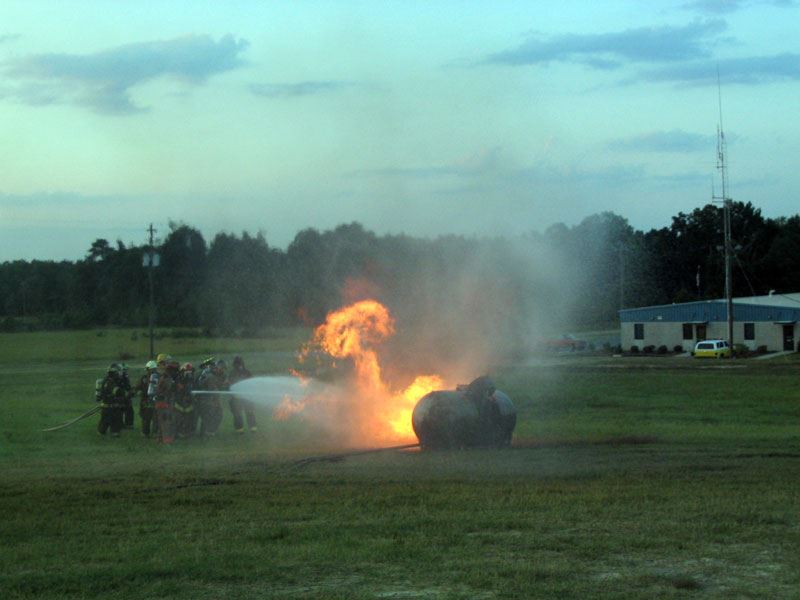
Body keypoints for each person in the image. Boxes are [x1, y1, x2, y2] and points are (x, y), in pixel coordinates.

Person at [96, 363, 127, 437]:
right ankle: (113, 433)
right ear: (114, 373)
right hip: (111, 408)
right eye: (118, 372)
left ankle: (103, 432)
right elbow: (116, 391)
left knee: (104, 423)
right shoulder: (110, 382)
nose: (119, 374)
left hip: (107, 407)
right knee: (114, 422)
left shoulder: (106, 380)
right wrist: (125, 393)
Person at [196, 357, 225, 436]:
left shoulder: (210, 374)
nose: (222, 370)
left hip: (208, 400)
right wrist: (216, 400)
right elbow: (213, 389)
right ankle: (207, 433)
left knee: (214, 415)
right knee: (211, 416)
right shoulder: (210, 376)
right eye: (221, 368)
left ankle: (209, 432)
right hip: (207, 400)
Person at [154, 355, 179, 444]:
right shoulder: (167, 378)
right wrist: (177, 385)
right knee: (167, 422)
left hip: (161, 402)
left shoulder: (164, 377)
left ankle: (159, 439)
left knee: (162, 422)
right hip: (163, 403)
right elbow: (170, 388)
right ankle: (167, 441)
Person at [228, 355, 257, 433]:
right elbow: (230, 384)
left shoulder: (245, 372)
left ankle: (251, 428)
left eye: (239, 364)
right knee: (238, 414)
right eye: (238, 364)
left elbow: (252, 383)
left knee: (249, 412)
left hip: (246, 397)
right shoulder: (234, 373)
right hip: (237, 398)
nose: (239, 366)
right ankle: (241, 429)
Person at [134, 360, 158, 437]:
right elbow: (137, 387)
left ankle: (155, 433)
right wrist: (137, 391)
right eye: (151, 369)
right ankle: (145, 433)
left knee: (156, 418)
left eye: (153, 369)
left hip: (155, 400)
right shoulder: (144, 379)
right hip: (146, 401)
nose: (152, 371)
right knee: (146, 418)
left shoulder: (158, 377)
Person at [174, 363, 197, 438]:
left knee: (189, 418)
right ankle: (178, 433)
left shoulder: (192, 379)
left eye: (190, 371)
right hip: (179, 402)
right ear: (182, 371)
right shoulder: (178, 379)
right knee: (179, 418)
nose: (189, 373)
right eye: (187, 371)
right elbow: (180, 389)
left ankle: (188, 432)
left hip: (189, 402)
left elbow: (194, 388)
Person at [120, 364, 135, 430]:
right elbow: (127, 387)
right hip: (124, 396)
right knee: (129, 410)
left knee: (122, 411)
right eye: (125, 369)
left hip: (122, 396)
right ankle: (128, 425)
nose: (126, 371)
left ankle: (122, 424)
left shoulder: (120, 376)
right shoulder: (124, 376)